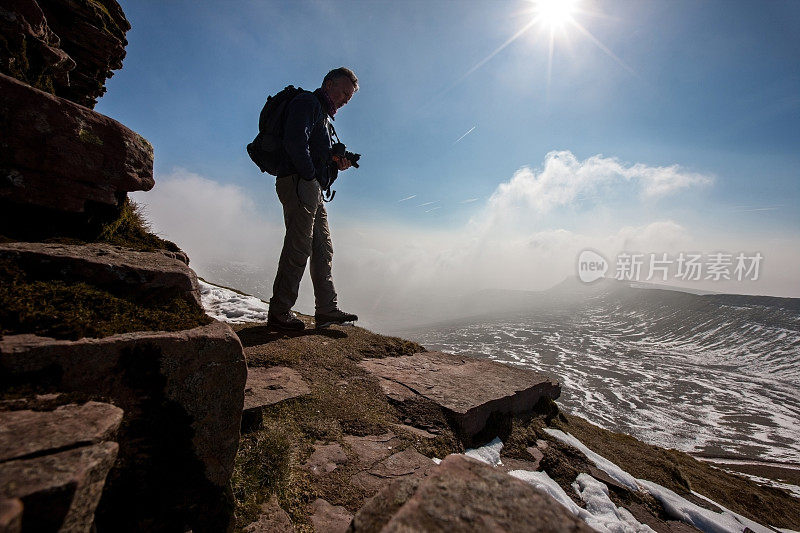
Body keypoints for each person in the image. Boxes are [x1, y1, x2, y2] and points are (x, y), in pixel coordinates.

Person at [267, 67, 359, 330]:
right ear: (328, 84)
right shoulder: (308, 102)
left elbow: (316, 156)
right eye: (343, 92)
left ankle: (327, 310)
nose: (344, 99)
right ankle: (280, 312)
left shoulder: (325, 118)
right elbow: (295, 142)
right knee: (299, 246)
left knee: (322, 248)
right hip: (299, 181)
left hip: (311, 186)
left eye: (349, 97)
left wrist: (335, 163)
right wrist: (309, 176)